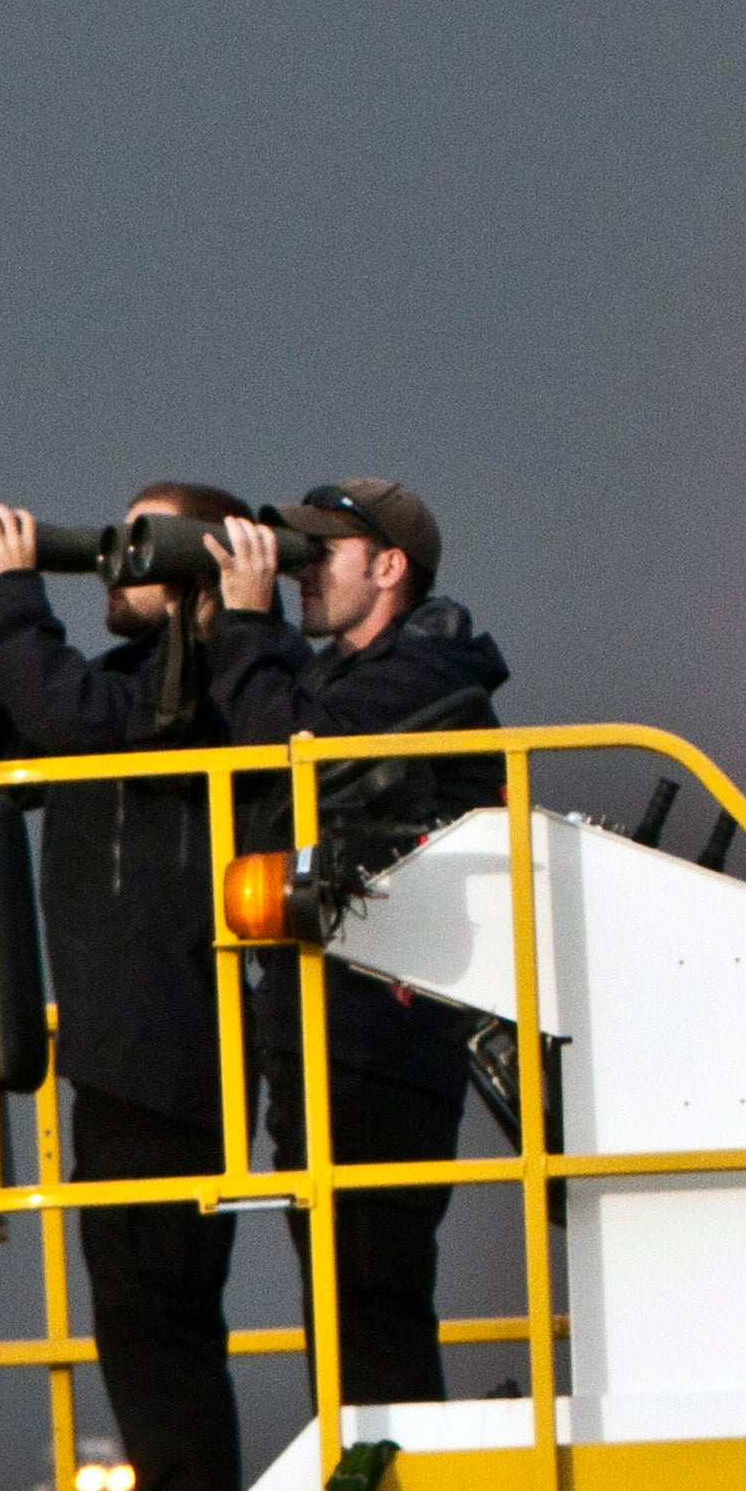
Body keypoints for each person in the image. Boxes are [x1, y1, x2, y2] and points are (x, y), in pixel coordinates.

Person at [0, 483, 261, 1491]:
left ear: (204, 575)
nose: (116, 565)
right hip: (120, 1051)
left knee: (157, 1311)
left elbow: (75, 721)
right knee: (135, 1314)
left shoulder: (216, 692)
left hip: (177, 1048)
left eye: (141, 544)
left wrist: (24, 589)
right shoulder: (124, 689)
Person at [199, 477, 511, 1415]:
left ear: (388, 568)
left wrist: (247, 624)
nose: (297, 573)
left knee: (370, 1288)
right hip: (328, 1029)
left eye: (317, 553)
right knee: (343, 1292)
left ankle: (397, 1476)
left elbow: (286, 753)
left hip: (383, 1035)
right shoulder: (344, 678)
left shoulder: (426, 676)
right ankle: (370, 1459)